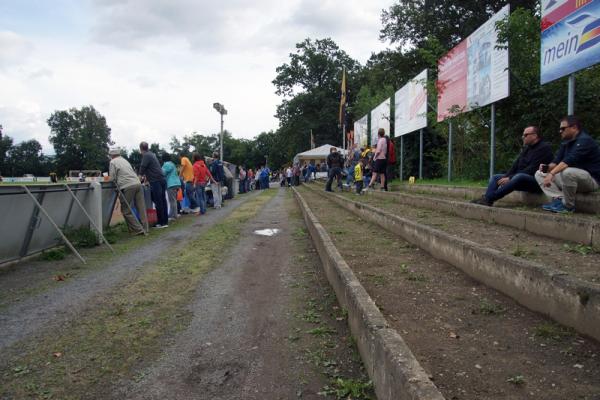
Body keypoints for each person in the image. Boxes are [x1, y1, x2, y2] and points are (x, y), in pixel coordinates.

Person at [471, 126, 553, 206]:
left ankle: (488, 198)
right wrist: (507, 176)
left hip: (537, 182)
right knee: (496, 177)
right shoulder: (527, 148)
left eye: (525, 135)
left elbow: (532, 169)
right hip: (519, 179)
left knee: (519, 176)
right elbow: (515, 165)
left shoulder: (544, 148)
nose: (523, 137)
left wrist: (510, 178)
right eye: (523, 135)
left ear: (535, 136)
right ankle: (487, 200)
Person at [535, 116, 600, 213]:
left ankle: (568, 206)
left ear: (574, 127)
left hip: (591, 181)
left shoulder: (585, 140)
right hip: (571, 179)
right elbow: (556, 162)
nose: (560, 131)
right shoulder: (565, 143)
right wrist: (547, 168)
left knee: (567, 171)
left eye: (563, 128)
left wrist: (551, 174)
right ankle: (559, 200)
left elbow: (567, 162)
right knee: (539, 173)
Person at [108, 146, 148, 235]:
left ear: (111, 155)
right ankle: (145, 228)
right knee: (141, 207)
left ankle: (138, 229)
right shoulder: (124, 160)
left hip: (127, 185)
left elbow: (112, 177)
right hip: (137, 183)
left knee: (126, 210)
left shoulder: (113, 162)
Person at [139, 141, 168, 228]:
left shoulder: (146, 155)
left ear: (140, 149)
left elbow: (142, 168)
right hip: (162, 179)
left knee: (158, 201)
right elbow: (151, 169)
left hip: (156, 181)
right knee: (163, 200)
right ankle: (165, 221)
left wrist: (139, 178)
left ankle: (161, 222)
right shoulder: (152, 154)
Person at [161, 153, 180, 221]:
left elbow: (162, 173)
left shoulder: (166, 164)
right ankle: (173, 214)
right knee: (174, 200)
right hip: (177, 183)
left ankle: (174, 216)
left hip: (171, 183)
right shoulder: (172, 164)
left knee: (172, 200)